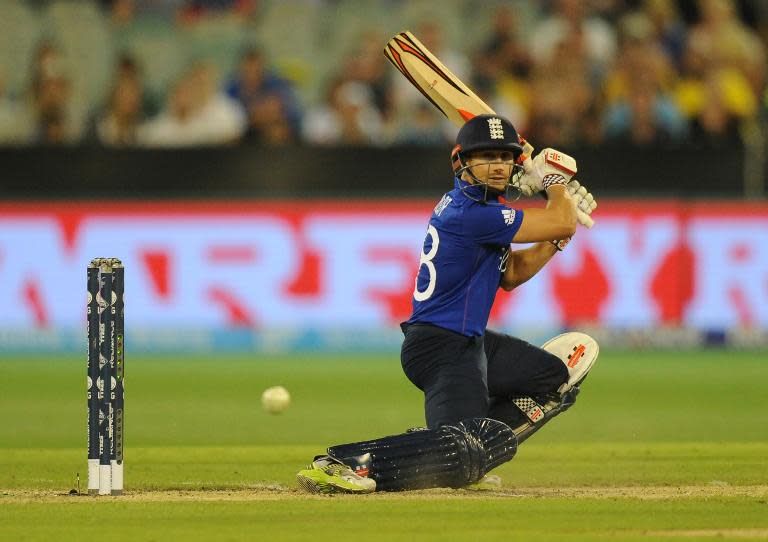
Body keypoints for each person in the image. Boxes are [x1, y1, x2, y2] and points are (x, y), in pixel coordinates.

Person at [296, 114, 598, 494]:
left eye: (505, 157)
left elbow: (513, 274)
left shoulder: (480, 209)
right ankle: (350, 463)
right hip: (442, 346)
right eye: (486, 156)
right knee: (458, 449)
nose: (498, 165)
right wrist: (556, 184)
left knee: (552, 380)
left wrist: (557, 230)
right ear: (462, 164)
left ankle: (469, 448)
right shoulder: (474, 213)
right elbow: (560, 220)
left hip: (468, 341)